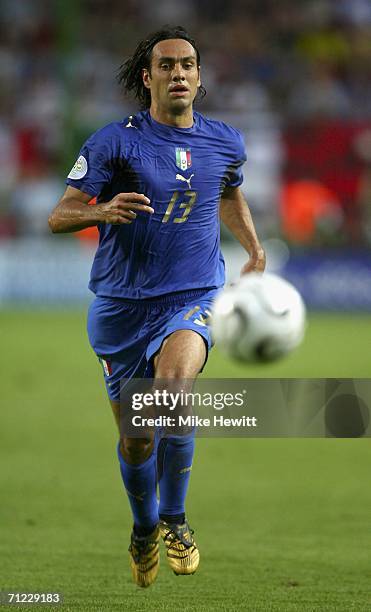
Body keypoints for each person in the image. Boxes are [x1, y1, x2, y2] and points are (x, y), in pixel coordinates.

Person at [48, 25, 265, 588]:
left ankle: (175, 519)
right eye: (166, 65)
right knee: (138, 436)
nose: (178, 74)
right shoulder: (113, 142)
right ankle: (144, 528)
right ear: (148, 78)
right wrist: (101, 211)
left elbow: (229, 190)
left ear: (200, 76)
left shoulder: (225, 141)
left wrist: (254, 248)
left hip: (193, 295)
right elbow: (59, 215)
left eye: (187, 64)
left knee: (171, 392)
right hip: (121, 307)